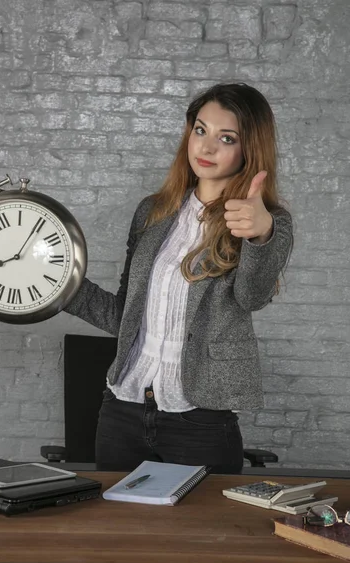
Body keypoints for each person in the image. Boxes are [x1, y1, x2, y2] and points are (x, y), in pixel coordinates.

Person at [64, 82, 293, 473]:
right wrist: (60, 286)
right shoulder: (153, 212)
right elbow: (126, 316)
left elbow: (252, 297)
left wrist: (259, 235)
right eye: (200, 130)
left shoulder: (265, 223)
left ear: (248, 149)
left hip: (200, 418)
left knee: (201, 533)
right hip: (124, 408)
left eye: (226, 138)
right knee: (119, 532)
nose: (205, 147)